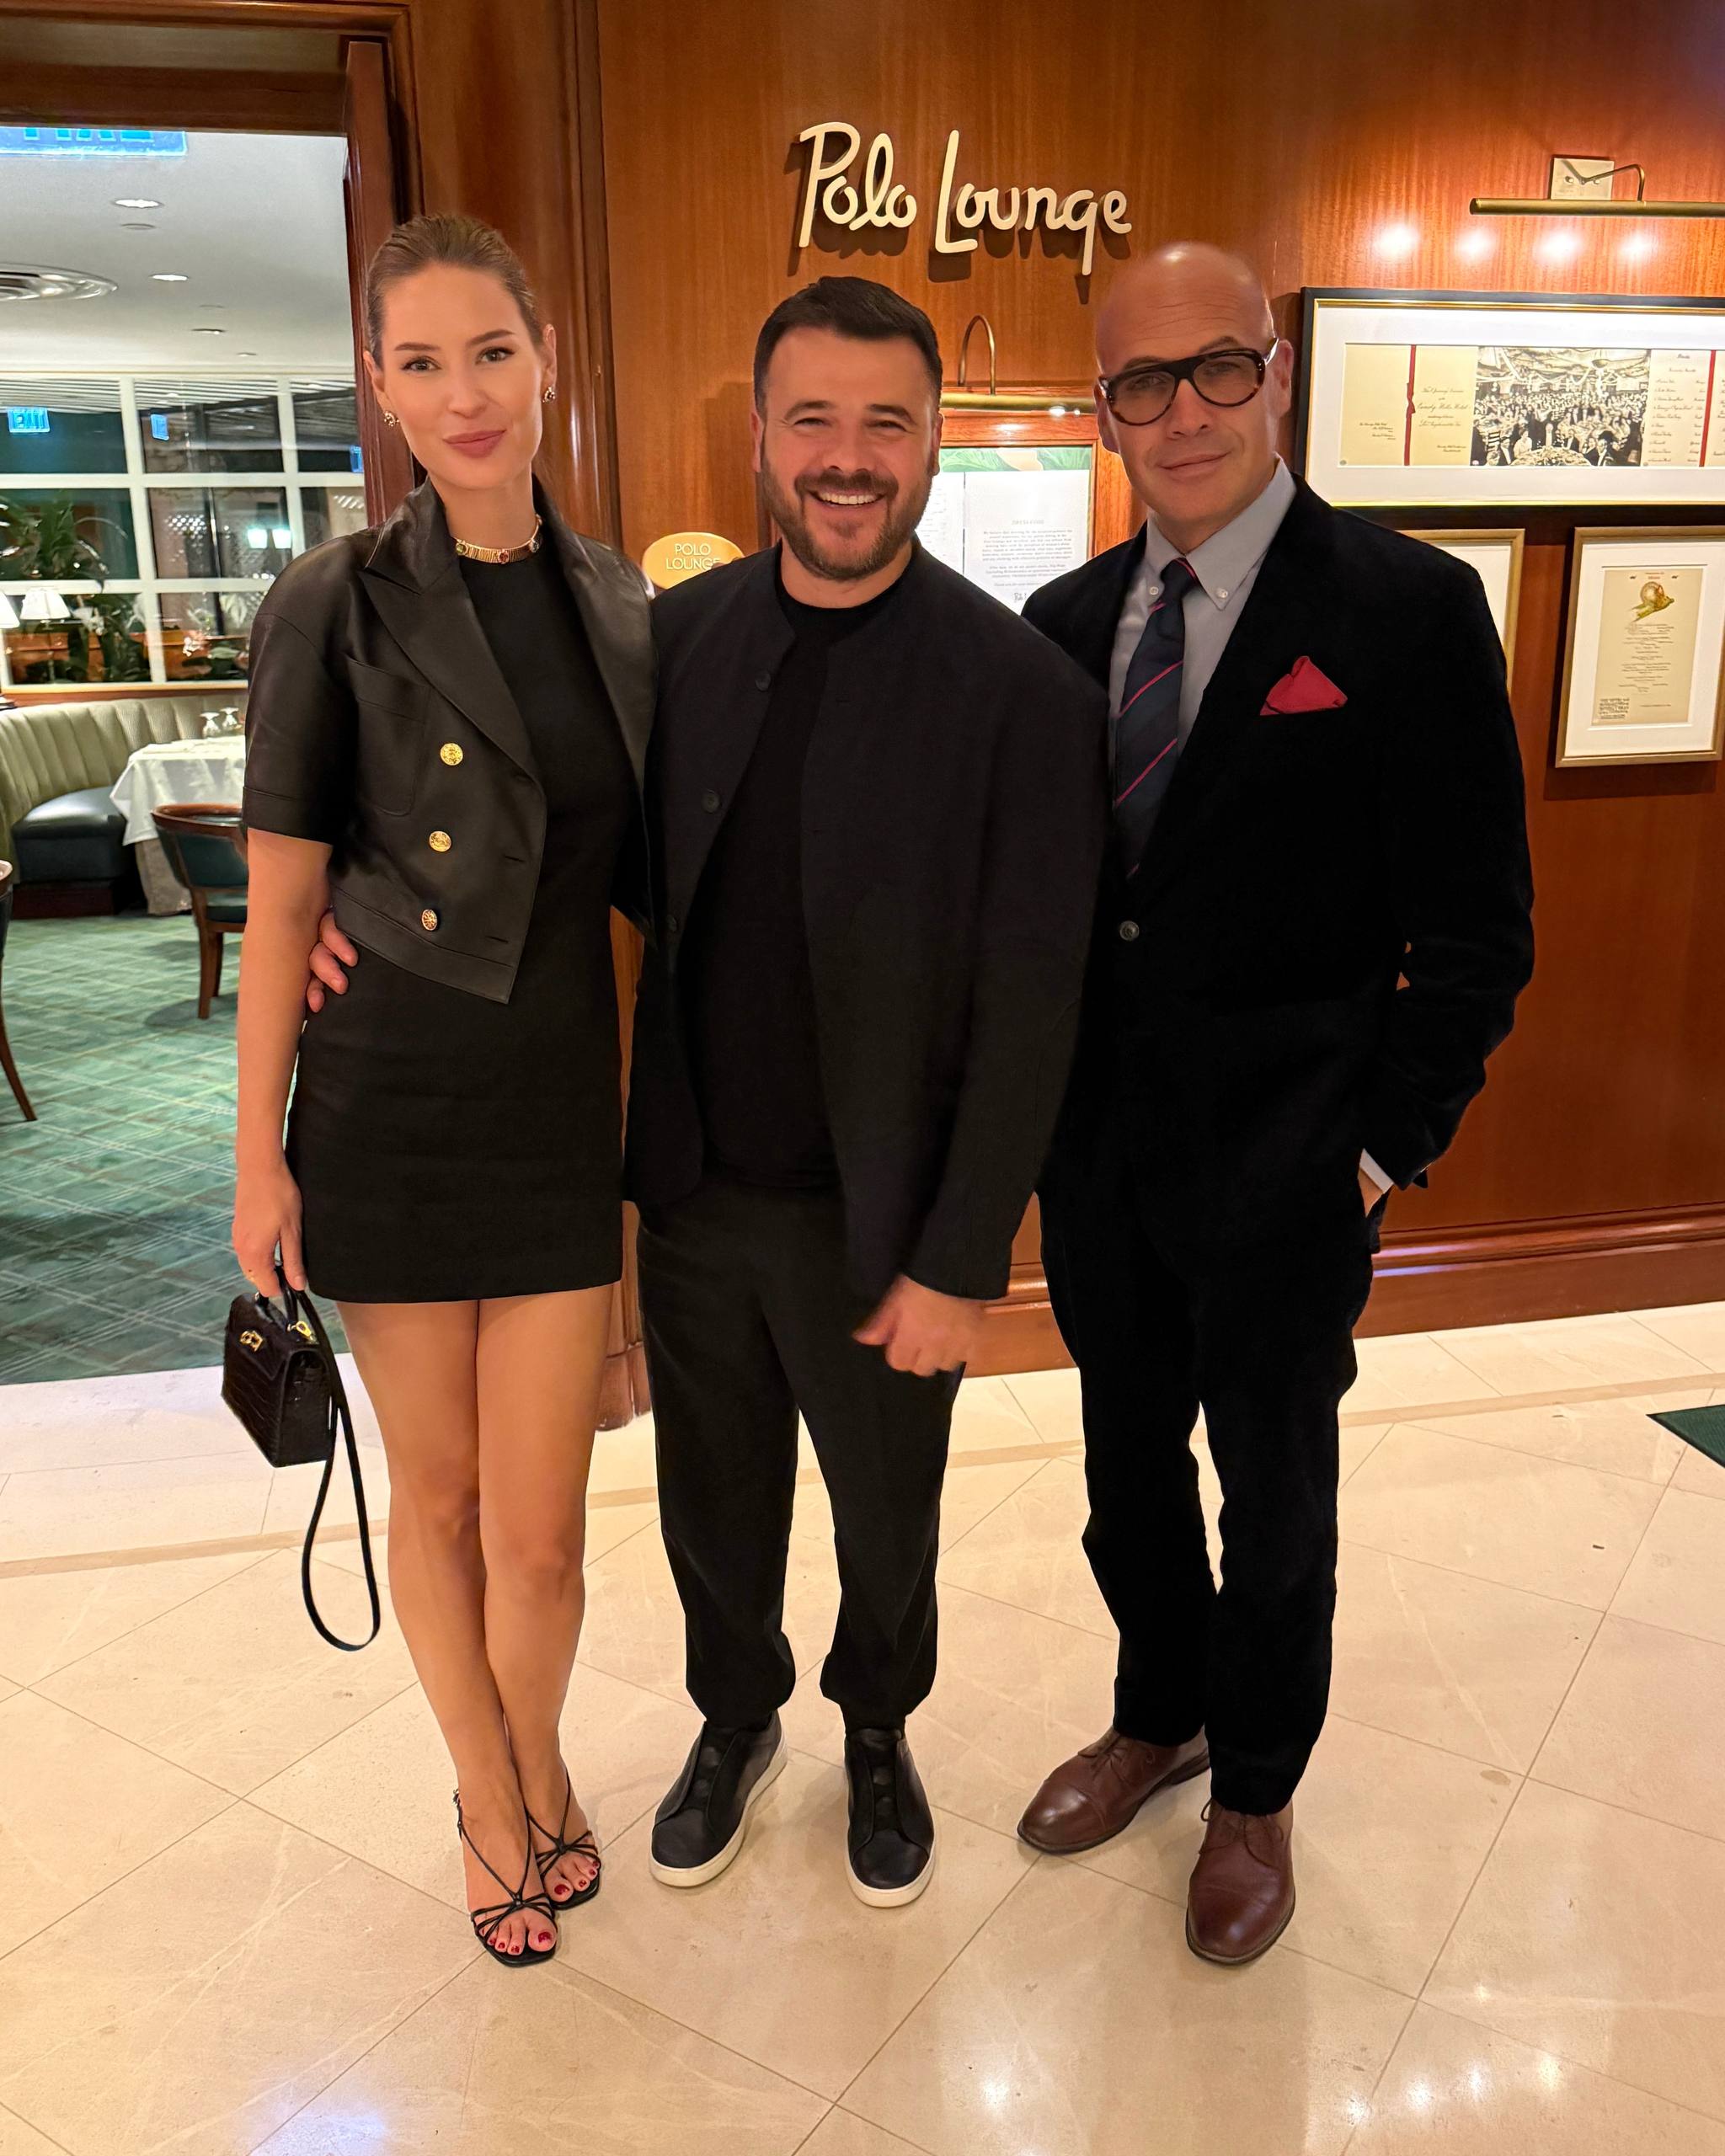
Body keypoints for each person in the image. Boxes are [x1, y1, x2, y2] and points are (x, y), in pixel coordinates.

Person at [1016, 243, 1534, 1966]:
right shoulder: (1062, 627)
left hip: (1294, 1169)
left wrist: (1378, 1151)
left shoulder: (1406, 609)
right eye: (1139, 383)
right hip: (1100, 1163)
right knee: (1123, 1474)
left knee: (1276, 1491)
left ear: (1279, 373)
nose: (1183, 413)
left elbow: (1478, 934)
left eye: (1217, 368)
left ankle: (1254, 1784)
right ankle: (1154, 1714)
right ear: (1102, 407)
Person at [627, 277, 1107, 1908]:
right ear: (762, 438)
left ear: (933, 442)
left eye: (884, 423)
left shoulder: (1019, 689)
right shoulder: (675, 645)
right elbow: (594, 874)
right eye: (813, 420)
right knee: (712, 1501)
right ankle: (734, 1715)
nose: (848, 457)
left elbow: (1035, 1001)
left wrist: (964, 1254)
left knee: (888, 1515)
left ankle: (880, 1728)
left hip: (889, 1217)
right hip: (695, 1193)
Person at [234, 213, 654, 1968]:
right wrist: (257, 1157)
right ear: (382, 387)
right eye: (421, 362)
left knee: (544, 1532)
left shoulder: (621, 601)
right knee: (447, 1500)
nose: (463, 394)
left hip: (555, 1105)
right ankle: (494, 1800)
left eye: (491, 352)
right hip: (387, 1103)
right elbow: (279, 898)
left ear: (545, 361)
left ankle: (533, 1755)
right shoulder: (332, 599)